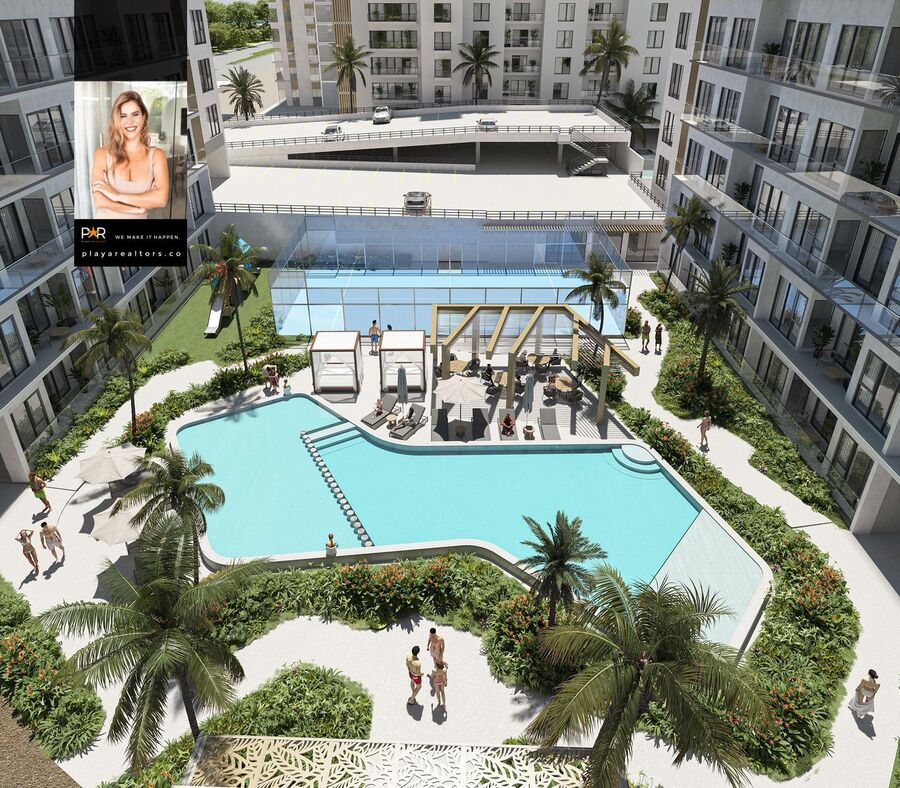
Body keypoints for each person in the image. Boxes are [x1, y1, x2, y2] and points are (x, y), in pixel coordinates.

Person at [91, 90, 170, 220]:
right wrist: (137, 209)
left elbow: (161, 199)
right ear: (117, 121)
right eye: (123, 116)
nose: (130, 121)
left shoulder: (156, 156)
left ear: (143, 117)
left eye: (135, 114)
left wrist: (116, 196)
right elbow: (99, 200)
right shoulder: (102, 154)